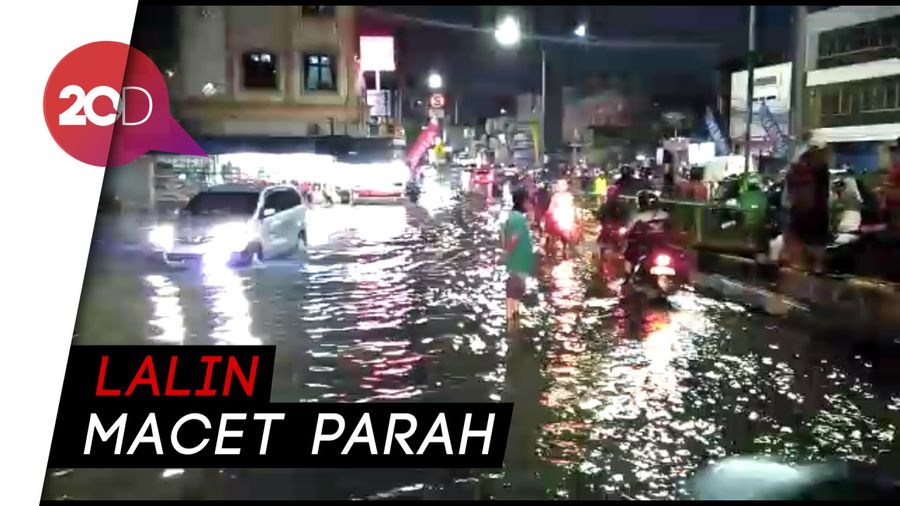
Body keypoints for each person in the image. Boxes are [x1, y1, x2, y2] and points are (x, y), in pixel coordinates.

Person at [784, 138, 831, 274]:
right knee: (817, 248)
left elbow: (790, 190)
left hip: (799, 212)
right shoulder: (821, 167)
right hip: (817, 212)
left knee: (800, 253)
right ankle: (816, 269)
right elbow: (825, 193)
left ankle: (799, 271)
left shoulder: (798, 167)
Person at [501, 187, 537, 332]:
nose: (529, 204)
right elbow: (514, 238)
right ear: (523, 202)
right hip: (518, 260)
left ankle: (513, 319)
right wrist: (507, 252)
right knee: (516, 288)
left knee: (516, 291)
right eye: (528, 201)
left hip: (519, 259)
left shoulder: (515, 217)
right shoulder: (517, 218)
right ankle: (511, 322)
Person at [622, 189, 670, 275]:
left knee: (628, 256)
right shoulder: (665, 215)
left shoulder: (638, 217)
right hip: (662, 247)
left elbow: (629, 231)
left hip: (646, 248)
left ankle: (627, 276)